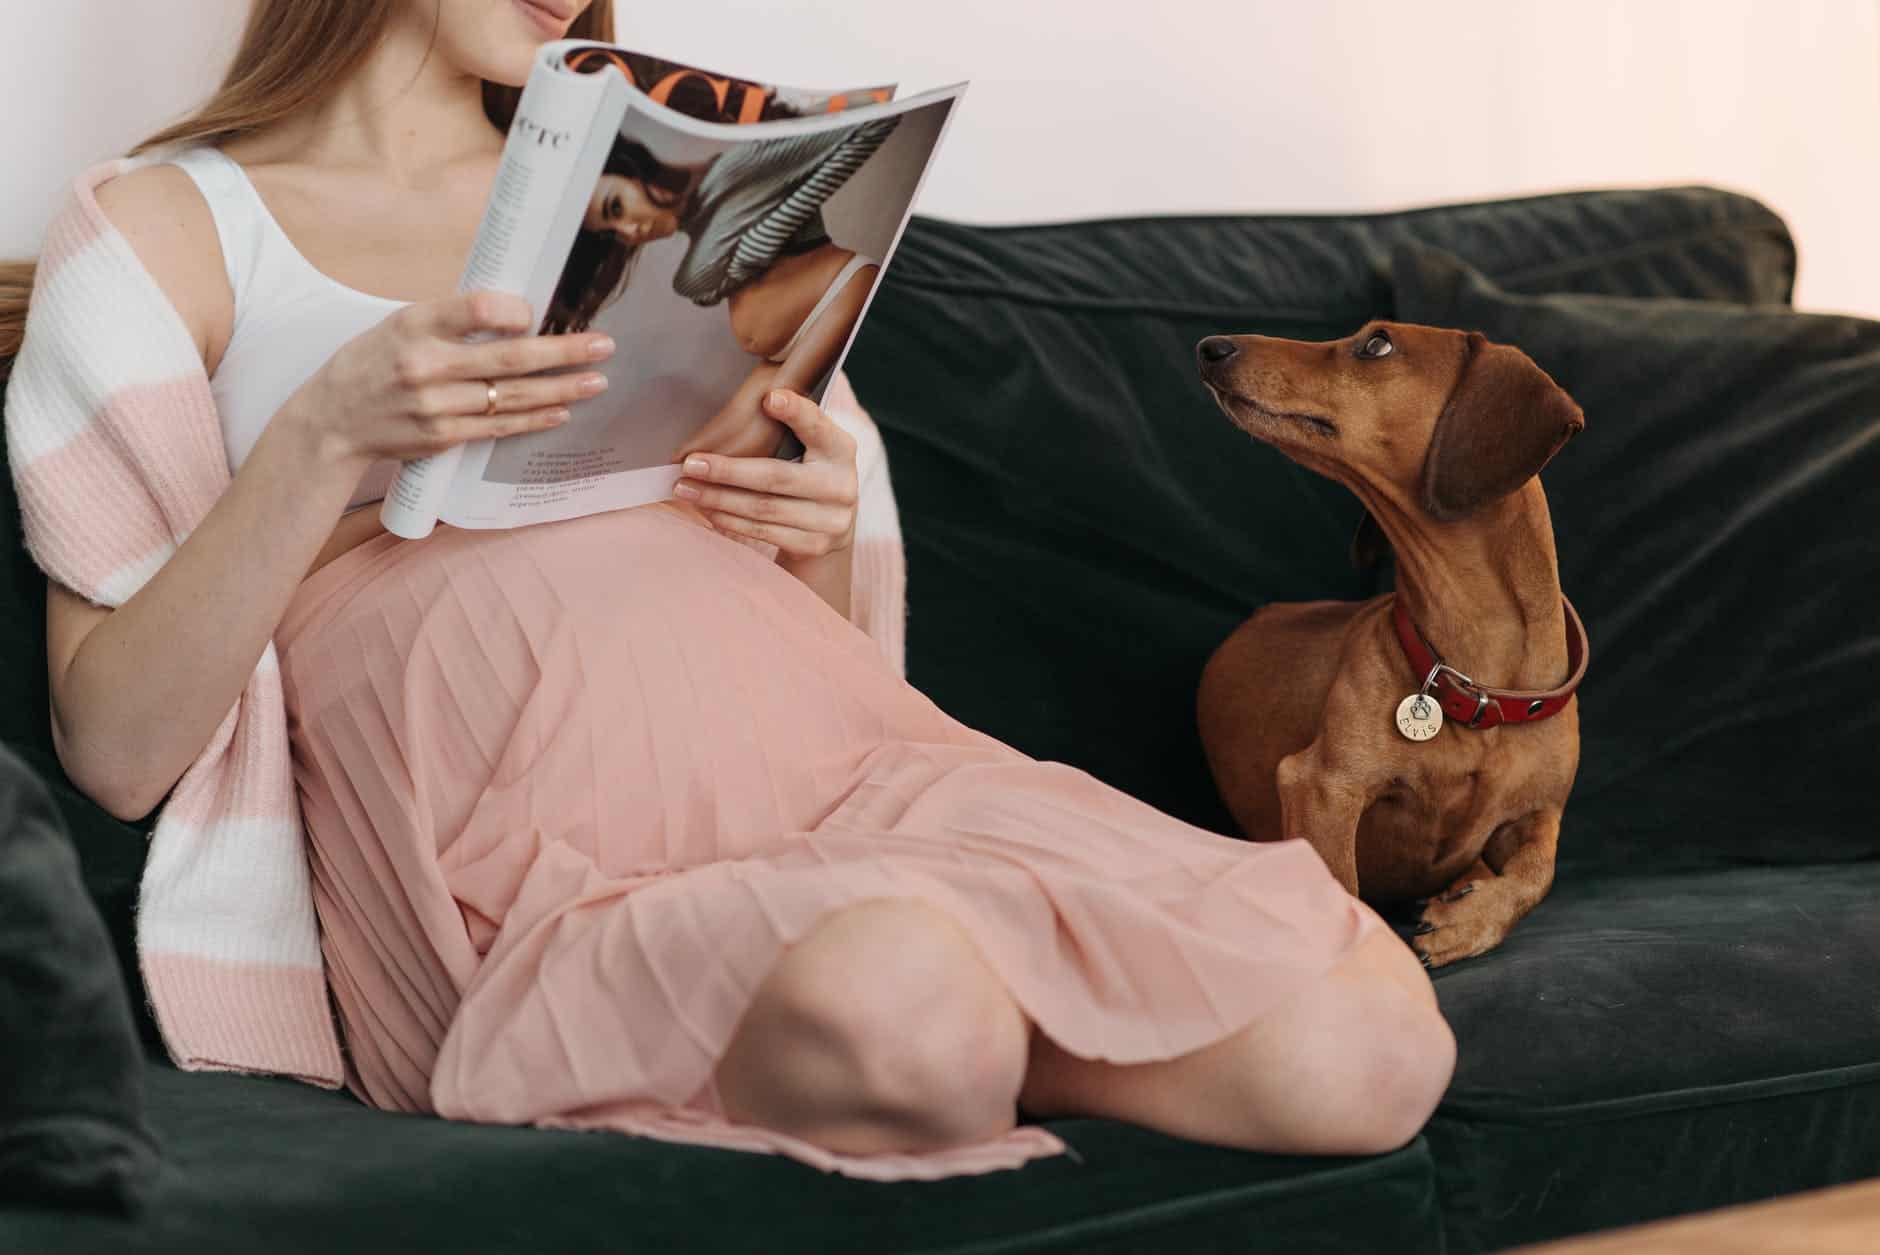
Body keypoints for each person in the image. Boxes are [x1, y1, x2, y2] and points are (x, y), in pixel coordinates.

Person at [0, 0, 1455, 1179]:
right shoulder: (166, 229)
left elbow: (824, 642)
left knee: (1376, 1045)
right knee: (903, 1004)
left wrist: (815, 520)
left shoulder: (656, 206)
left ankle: (928, 1035)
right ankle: (915, 1030)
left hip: (849, 771)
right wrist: (323, 437)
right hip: (547, 865)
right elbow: (116, 750)